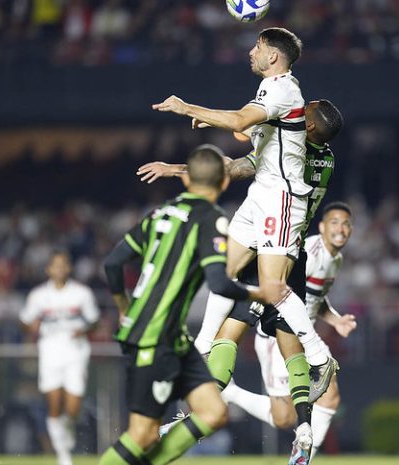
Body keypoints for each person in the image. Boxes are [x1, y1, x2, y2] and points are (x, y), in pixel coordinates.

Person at [140, 98, 343, 464]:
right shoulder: (323, 157)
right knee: (288, 348)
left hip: (266, 245)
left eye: (305, 110)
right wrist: (241, 130)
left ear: (308, 126)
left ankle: (196, 407)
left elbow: (238, 138)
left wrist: (192, 121)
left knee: (227, 332)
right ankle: (305, 431)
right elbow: (248, 144)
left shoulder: (289, 144)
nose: (298, 110)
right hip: (289, 250)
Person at [152, 27, 336, 390]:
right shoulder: (274, 92)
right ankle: (201, 349)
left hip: (281, 199)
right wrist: (206, 126)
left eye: (258, 46)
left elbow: (239, 121)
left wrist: (185, 106)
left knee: (272, 286)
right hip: (260, 196)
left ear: (273, 56)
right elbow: (247, 139)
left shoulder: (283, 87)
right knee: (223, 271)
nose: (251, 51)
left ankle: (319, 356)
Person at [98, 145, 287, 465]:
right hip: (153, 337)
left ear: (187, 183)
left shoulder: (159, 215)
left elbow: (114, 264)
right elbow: (220, 283)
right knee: (142, 434)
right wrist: (259, 294)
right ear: (225, 183)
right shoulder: (212, 220)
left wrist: (122, 307)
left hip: (166, 335)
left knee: (213, 412)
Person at [222, 202, 356, 462]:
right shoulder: (312, 253)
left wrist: (335, 320)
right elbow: (278, 284)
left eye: (346, 223)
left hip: (305, 336)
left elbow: (315, 297)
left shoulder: (335, 260)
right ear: (321, 227)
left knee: (329, 399)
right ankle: (230, 392)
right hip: (280, 335)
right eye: (335, 222)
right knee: (283, 418)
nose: (341, 228)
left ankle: (301, 459)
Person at [19, 250, 100, 465]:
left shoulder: (82, 293)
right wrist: (30, 327)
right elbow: (25, 321)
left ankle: (68, 429)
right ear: (48, 269)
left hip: (75, 350)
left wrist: (83, 330)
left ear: (69, 268)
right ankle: (63, 455)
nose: (60, 269)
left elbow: (95, 320)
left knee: (73, 407)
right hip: (50, 351)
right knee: (54, 404)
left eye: (63, 265)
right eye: (55, 265)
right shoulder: (38, 296)